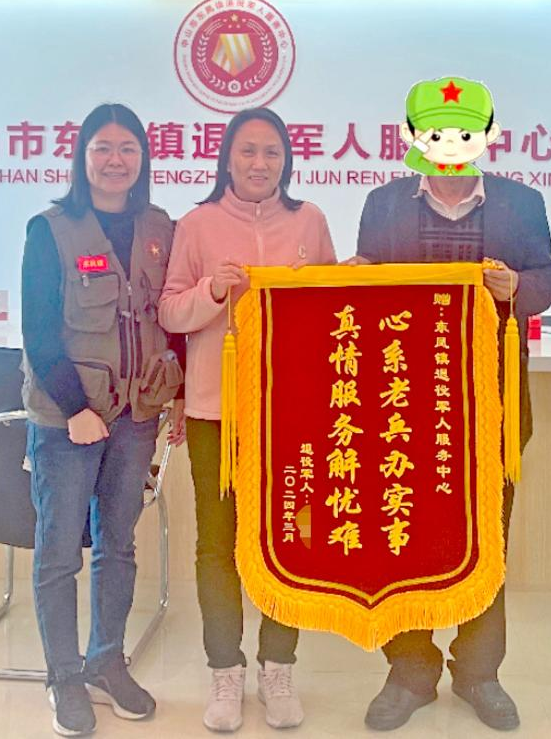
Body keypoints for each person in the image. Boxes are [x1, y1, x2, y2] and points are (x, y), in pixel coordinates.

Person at [350, 76, 551, 732]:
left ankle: (479, 671)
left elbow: (550, 281)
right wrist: (350, 276)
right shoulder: (383, 204)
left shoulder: (521, 203)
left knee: (486, 539)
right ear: (413, 137)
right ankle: (409, 669)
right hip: (401, 403)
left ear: (486, 136)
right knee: (402, 533)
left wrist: (517, 284)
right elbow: (364, 284)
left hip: (490, 401)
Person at [160, 106, 336, 733]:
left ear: (287, 160)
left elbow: (335, 309)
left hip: (294, 411)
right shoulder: (197, 224)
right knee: (218, 543)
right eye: (248, 152)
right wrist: (212, 291)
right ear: (227, 158)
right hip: (216, 412)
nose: (260, 164)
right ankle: (225, 671)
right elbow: (170, 312)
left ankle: (278, 665)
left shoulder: (310, 221)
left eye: (271, 153)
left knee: (294, 536)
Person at [21, 102, 187, 737]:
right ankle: (63, 676)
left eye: (127, 148)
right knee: (60, 550)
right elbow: (38, 331)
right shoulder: (51, 229)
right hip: (69, 418)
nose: (115, 160)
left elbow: (171, 319)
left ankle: (105, 662)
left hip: (138, 413)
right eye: (102, 148)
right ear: (82, 156)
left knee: (118, 545)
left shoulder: (161, 227)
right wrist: (77, 409)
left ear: (142, 157)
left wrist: (176, 393)